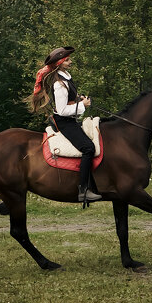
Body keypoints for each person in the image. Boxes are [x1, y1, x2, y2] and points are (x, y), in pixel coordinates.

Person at [27, 46, 101, 203]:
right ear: (59, 63)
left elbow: (68, 101)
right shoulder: (59, 84)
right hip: (64, 122)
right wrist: (83, 106)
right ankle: (83, 190)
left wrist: (78, 99)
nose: (70, 61)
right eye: (67, 60)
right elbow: (62, 111)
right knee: (88, 148)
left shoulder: (66, 77)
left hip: (70, 119)